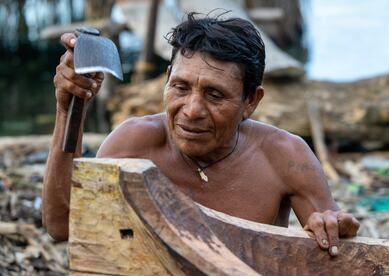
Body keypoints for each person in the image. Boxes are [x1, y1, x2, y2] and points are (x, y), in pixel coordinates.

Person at [42, 13, 359, 256]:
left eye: (215, 95)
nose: (192, 109)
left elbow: (330, 253)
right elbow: (62, 225)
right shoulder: (134, 144)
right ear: (167, 80)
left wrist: (333, 228)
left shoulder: (285, 157)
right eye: (180, 87)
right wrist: (70, 108)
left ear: (251, 101)